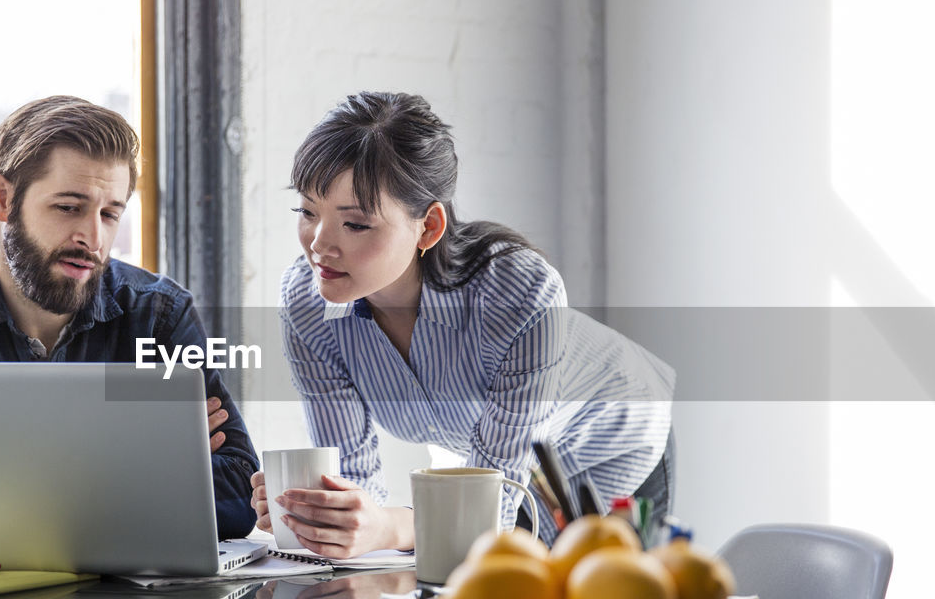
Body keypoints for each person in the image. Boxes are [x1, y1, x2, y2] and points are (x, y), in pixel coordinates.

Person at [250, 92, 674, 557]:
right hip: (502, 468)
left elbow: (495, 511)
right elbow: (353, 483)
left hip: (608, 440)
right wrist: (320, 517)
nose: (319, 245)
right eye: (308, 212)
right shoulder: (305, 302)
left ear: (429, 228)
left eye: (354, 225)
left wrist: (392, 527)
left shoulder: (520, 293)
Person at [0, 95, 257, 539]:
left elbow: (238, 498)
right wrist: (147, 455)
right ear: (2, 199)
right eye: (68, 207)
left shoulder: (157, 314)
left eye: (110, 213)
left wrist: (26, 470)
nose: (93, 238)